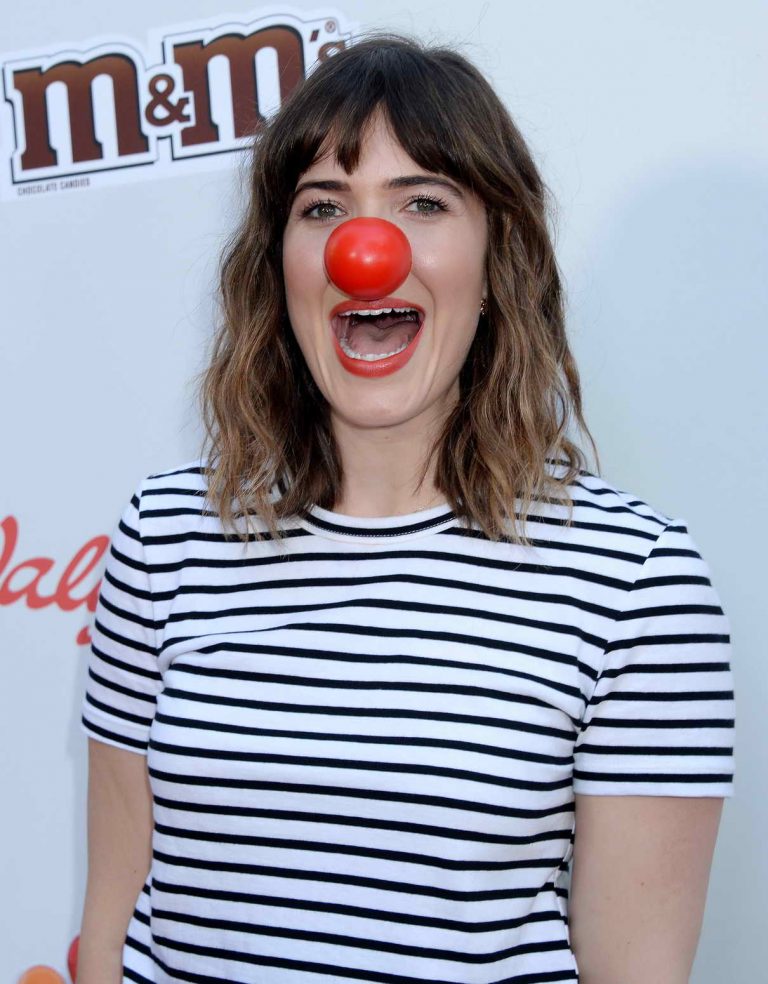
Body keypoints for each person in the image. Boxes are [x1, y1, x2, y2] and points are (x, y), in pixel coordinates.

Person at [76, 32, 735, 984]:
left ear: (495, 258)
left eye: (422, 202)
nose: (365, 251)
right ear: (281, 264)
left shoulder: (636, 583)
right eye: (323, 207)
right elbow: (109, 924)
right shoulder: (164, 538)